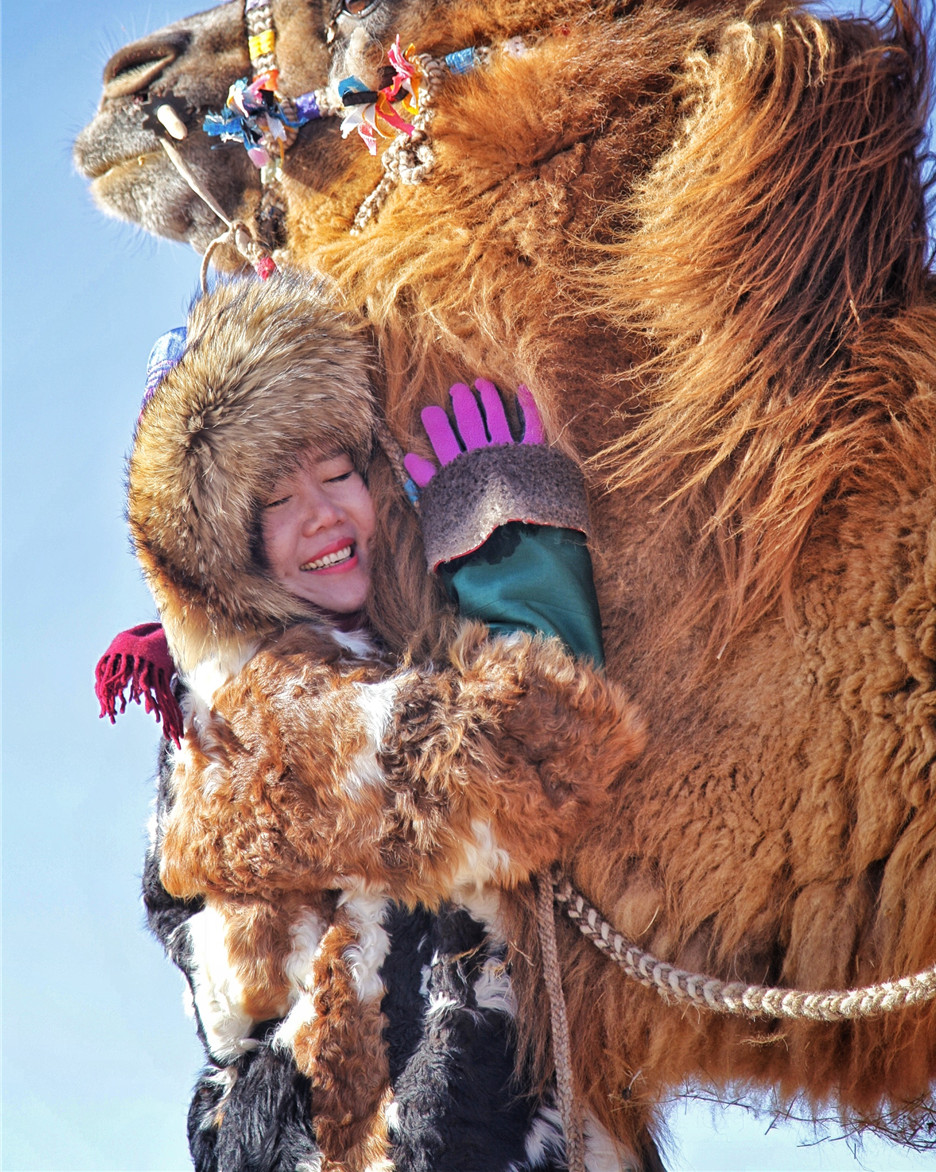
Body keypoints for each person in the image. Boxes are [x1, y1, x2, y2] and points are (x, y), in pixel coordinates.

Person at [101, 270, 646, 1172]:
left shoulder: (398, 657)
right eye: (274, 502)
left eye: (336, 470)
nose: (320, 515)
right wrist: (510, 550)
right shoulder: (245, 715)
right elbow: (526, 763)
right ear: (230, 553)